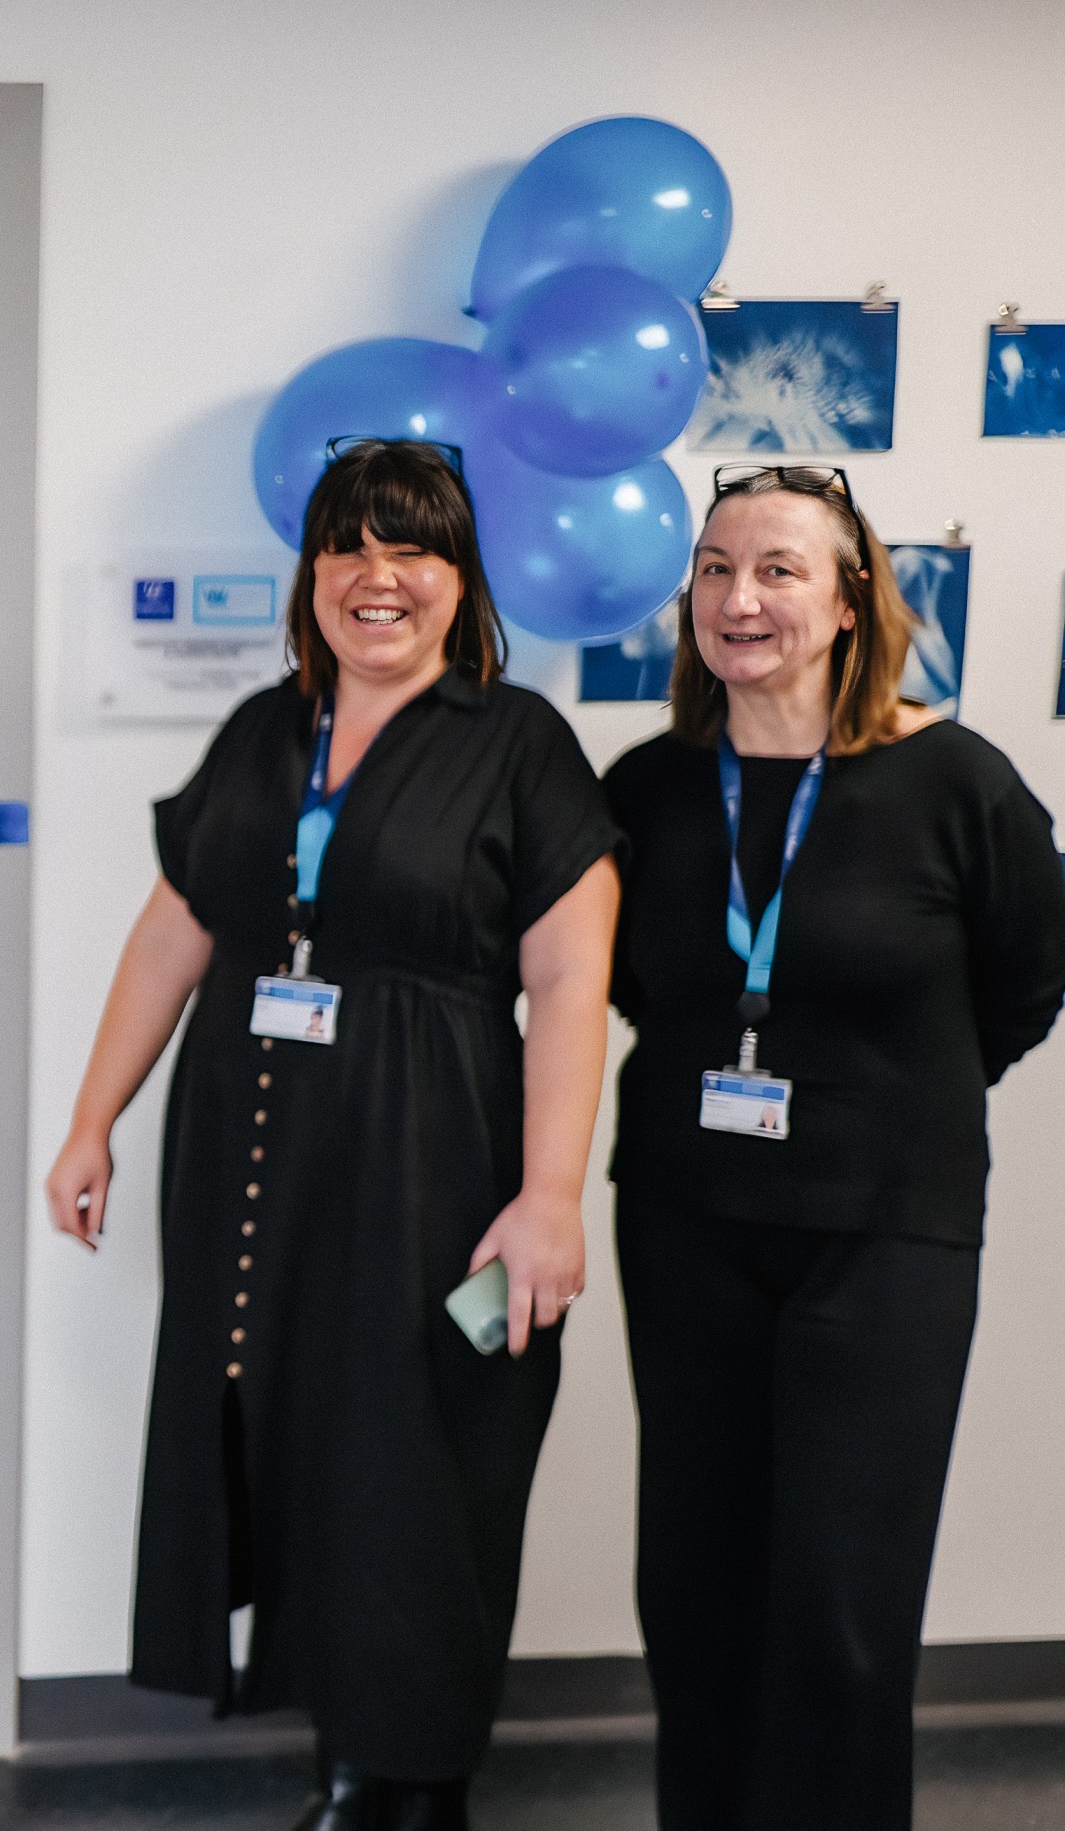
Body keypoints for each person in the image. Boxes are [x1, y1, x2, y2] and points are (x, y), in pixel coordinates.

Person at [45, 440, 621, 1829]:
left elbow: (570, 977)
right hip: (253, 1164)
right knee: (289, 1439)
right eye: (349, 547)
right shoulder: (264, 729)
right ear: (311, 575)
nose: (378, 577)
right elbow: (177, 926)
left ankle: (414, 1785)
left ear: (461, 578)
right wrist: (91, 1120)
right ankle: (352, 1760)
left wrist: (551, 1195)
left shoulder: (516, 744)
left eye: (412, 548)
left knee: (422, 1459)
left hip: (434, 1162)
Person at [603, 466, 1065, 1829]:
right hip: (687, 1225)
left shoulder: (957, 783)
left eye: (780, 570)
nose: (740, 599)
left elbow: (1029, 982)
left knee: (840, 1607)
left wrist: (884, 1102)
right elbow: (627, 985)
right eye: (715, 569)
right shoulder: (647, 789)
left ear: (855, 598)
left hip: (887, 1239)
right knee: (694, 1590)